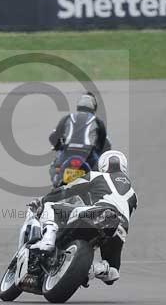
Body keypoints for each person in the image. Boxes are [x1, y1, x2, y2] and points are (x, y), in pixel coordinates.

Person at [29, 150, 138, 285]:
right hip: (119, 229)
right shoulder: (133, 194)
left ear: (103, 165)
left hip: (99, 212)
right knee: (113, 272)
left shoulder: (96, 176)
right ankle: (94, 269)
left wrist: (42, 200)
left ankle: (47, 241)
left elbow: (67, 190)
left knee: (51, 206)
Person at [48, 92, 111, 171]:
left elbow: (53, 137)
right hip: (88, 153)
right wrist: (98, 151)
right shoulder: (97, 121)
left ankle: (57, 180)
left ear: (78, 105)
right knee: (100, 171)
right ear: (94, 107)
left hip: (68, 151)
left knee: (55, 167)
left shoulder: (68, 118)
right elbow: (103, 141)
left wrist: (58, 146)